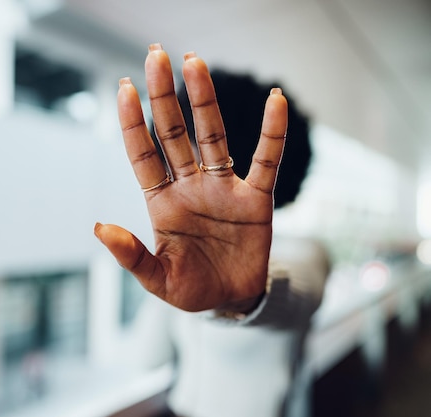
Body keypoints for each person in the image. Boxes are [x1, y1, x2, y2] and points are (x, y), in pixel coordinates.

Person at [94, 43, 330, 417]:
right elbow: (146, 356)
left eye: (191, 161)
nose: (179, 179)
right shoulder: (191, 258)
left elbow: (292, 294)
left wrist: (244, 299)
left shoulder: (306, 254)